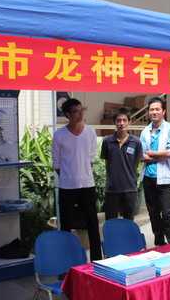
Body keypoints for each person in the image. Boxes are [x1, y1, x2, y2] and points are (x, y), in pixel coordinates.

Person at [52, 98, 102, 261]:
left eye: (81, 110)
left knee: (92, 224)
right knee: (66, 225)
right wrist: (69, 177)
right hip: (67, 186)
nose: (80, 114)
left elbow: (91, 158)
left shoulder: (90, 132)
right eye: (75, 111)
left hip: (87, 184)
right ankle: (67, 261)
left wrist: (83, 174)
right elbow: (56, 163)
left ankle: (96, 260)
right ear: (67, 114)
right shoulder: (59, 135)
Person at [140, 97, 170, 246]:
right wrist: (159, 155)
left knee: (167, 213)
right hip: (148, 177)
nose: (154, 112)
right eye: (151, 109)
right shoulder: (145, 131)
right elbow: (142, 156)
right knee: (153, 213)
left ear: (163, 111)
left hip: (164, 178)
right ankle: (159, 243)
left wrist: (152, 154)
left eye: (157, 109)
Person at [100, 108, 143, 221]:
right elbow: (107, 163)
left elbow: (136, 163)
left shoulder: (136, 142)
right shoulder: (107, 141)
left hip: (130, 189)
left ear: (129, 122)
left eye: (124, 120)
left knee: (128, 222)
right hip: (112, 190)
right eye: (118, 120)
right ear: (114, 122)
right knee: (111, 222)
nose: (121, 123)